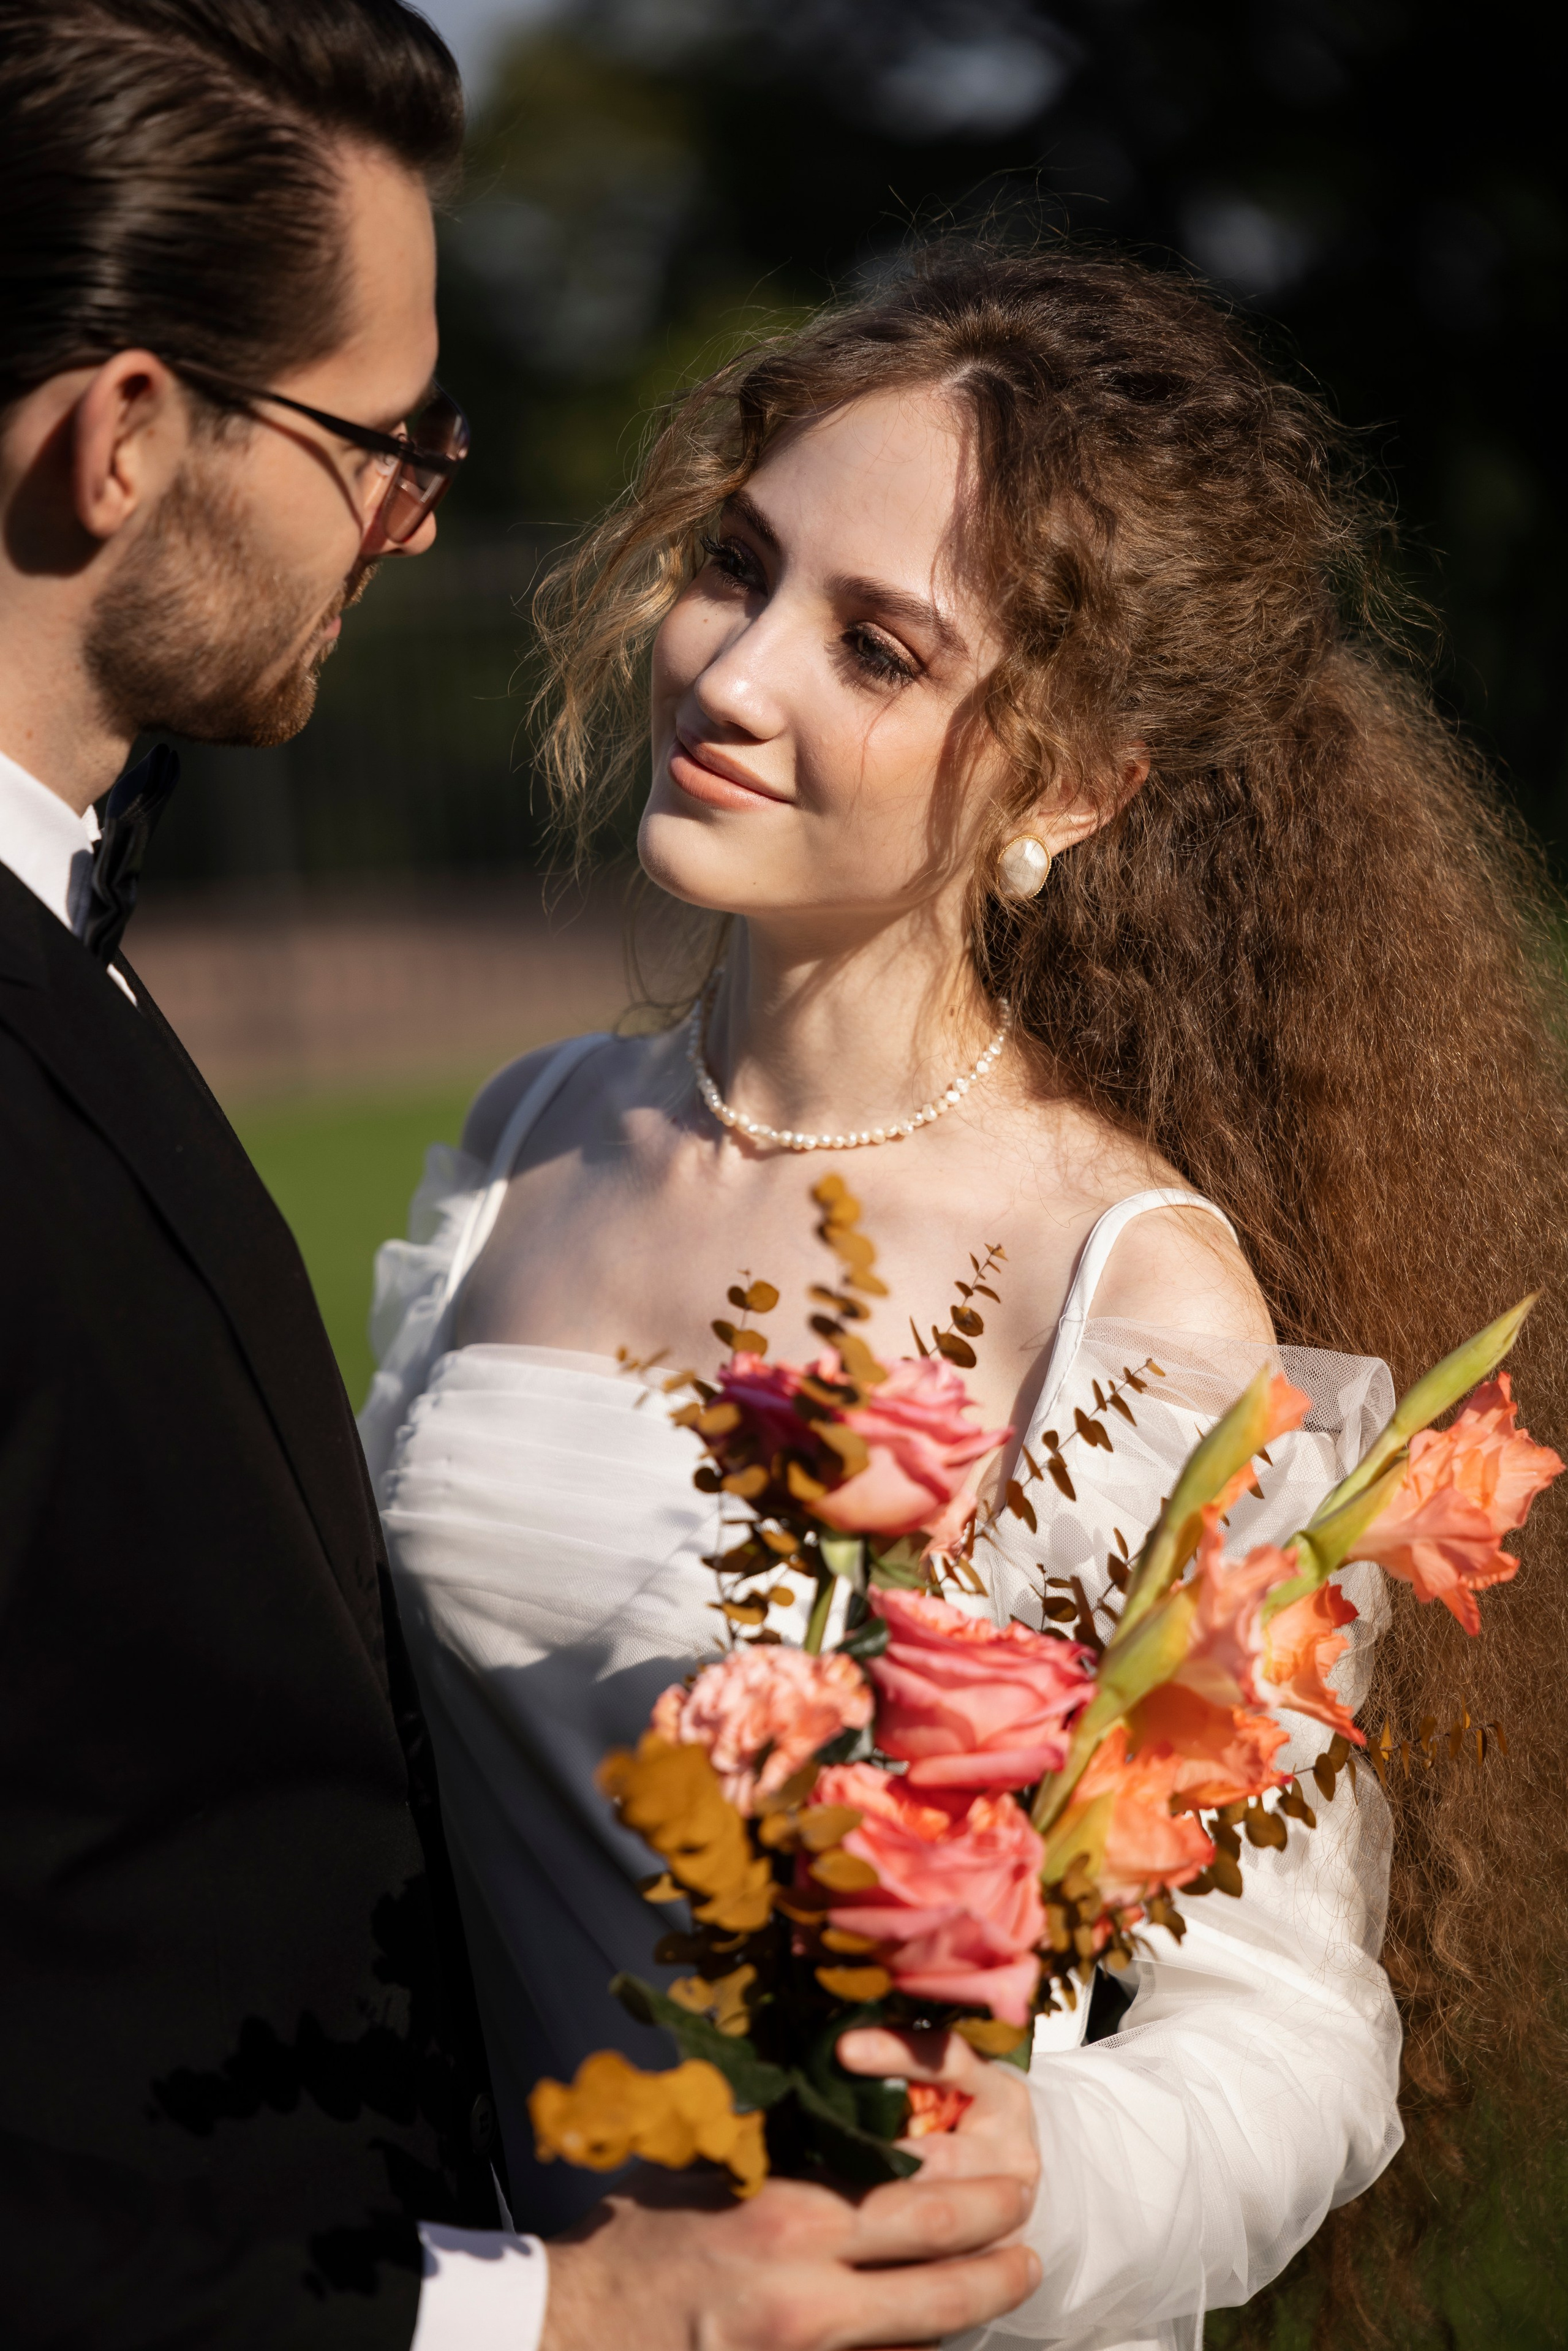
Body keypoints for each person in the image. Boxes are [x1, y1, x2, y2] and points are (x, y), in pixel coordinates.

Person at [362, 240, 1568, 2345]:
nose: (734, 675)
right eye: (736, 567)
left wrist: (1015, 2175)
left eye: (877, 647)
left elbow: (1287, 2030)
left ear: (1073, 788)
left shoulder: (1129, 1297)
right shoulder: (524, 1137)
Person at [0, 7, 1046, 2347]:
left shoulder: (76, 934)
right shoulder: (512, 1142)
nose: (415, 517)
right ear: (125, 437)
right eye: (383, 442)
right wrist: (547, 2317)